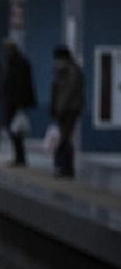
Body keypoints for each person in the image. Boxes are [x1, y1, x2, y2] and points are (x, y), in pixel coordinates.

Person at [50, 46, 84, 178]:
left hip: (70, 109)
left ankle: (65, 167)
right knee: (64, 137)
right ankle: (64, 167)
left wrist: (60, 108)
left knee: (65, 137)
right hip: (64, 109)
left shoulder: (71, 71)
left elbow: (68, 92)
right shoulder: (62, 71)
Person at [3, 42, 36, 167]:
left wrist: (20, 102)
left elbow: (21, 85)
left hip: (16, 102)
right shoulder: (14, 63)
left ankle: (20, 157)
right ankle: (18, 156)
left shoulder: (19, 64)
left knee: (17, 130)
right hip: (12, 101)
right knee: (14, 129)